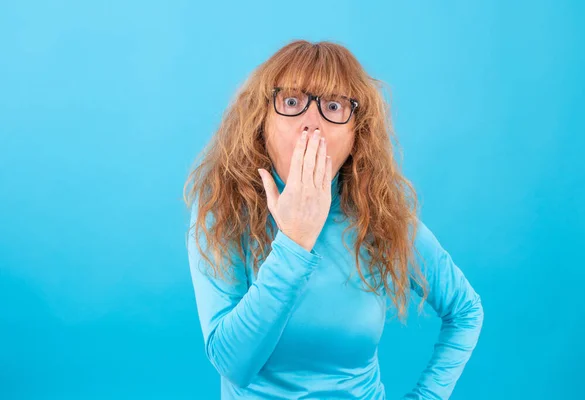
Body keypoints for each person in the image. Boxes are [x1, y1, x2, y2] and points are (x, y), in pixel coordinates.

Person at [183, 39, 484, 399]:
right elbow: (233, 365)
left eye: (334, 106)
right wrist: (294, 242)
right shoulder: (225, 213)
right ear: (261, 120)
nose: (312, 124)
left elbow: (465, 311)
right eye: (291, 102)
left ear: (357, 132)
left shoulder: (380, 217)